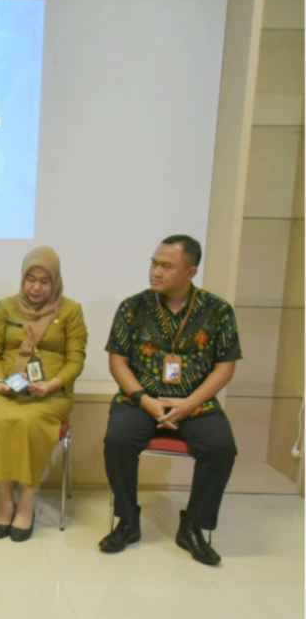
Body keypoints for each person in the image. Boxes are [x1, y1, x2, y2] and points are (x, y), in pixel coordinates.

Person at [100, 235, 240, 565]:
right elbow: (117, 361)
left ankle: (192, 525)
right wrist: (144, 399)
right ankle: (128, 520)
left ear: (190, 272)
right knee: (118, 439)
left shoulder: (217, 310)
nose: (155, 272)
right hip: (141, 400)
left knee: (221, 449)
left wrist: (189, 404)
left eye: (166, 266)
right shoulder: (133, 307)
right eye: (153, 263)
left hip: (196, 403)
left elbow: (225, 367)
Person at [0, 247, 87, 541]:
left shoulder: (71, 311)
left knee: (28, 423)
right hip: (6, 392)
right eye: (30, 279)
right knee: (1, 421)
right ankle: (6, 501)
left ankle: (27, 501)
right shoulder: (6, 307)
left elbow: (76, 359)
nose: (36, 287)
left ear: (56, 282)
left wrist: (52, 384)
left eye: (44, 281)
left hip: (51, 394)